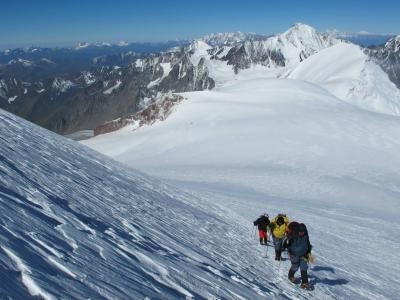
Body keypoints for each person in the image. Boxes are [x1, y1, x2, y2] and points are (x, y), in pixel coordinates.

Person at [283, 221, 313, 290]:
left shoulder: (305, 235)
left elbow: (308, 244)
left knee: (304, 267)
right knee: (295, 266)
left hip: (304, 254)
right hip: (294, 254)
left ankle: (304, 283)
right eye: (300, 231)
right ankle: (290, 276)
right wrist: (285, 246)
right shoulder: (292, 235)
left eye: (303, 231)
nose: (302, 233)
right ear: (297, 231)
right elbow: (286, 243)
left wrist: (309, 251)